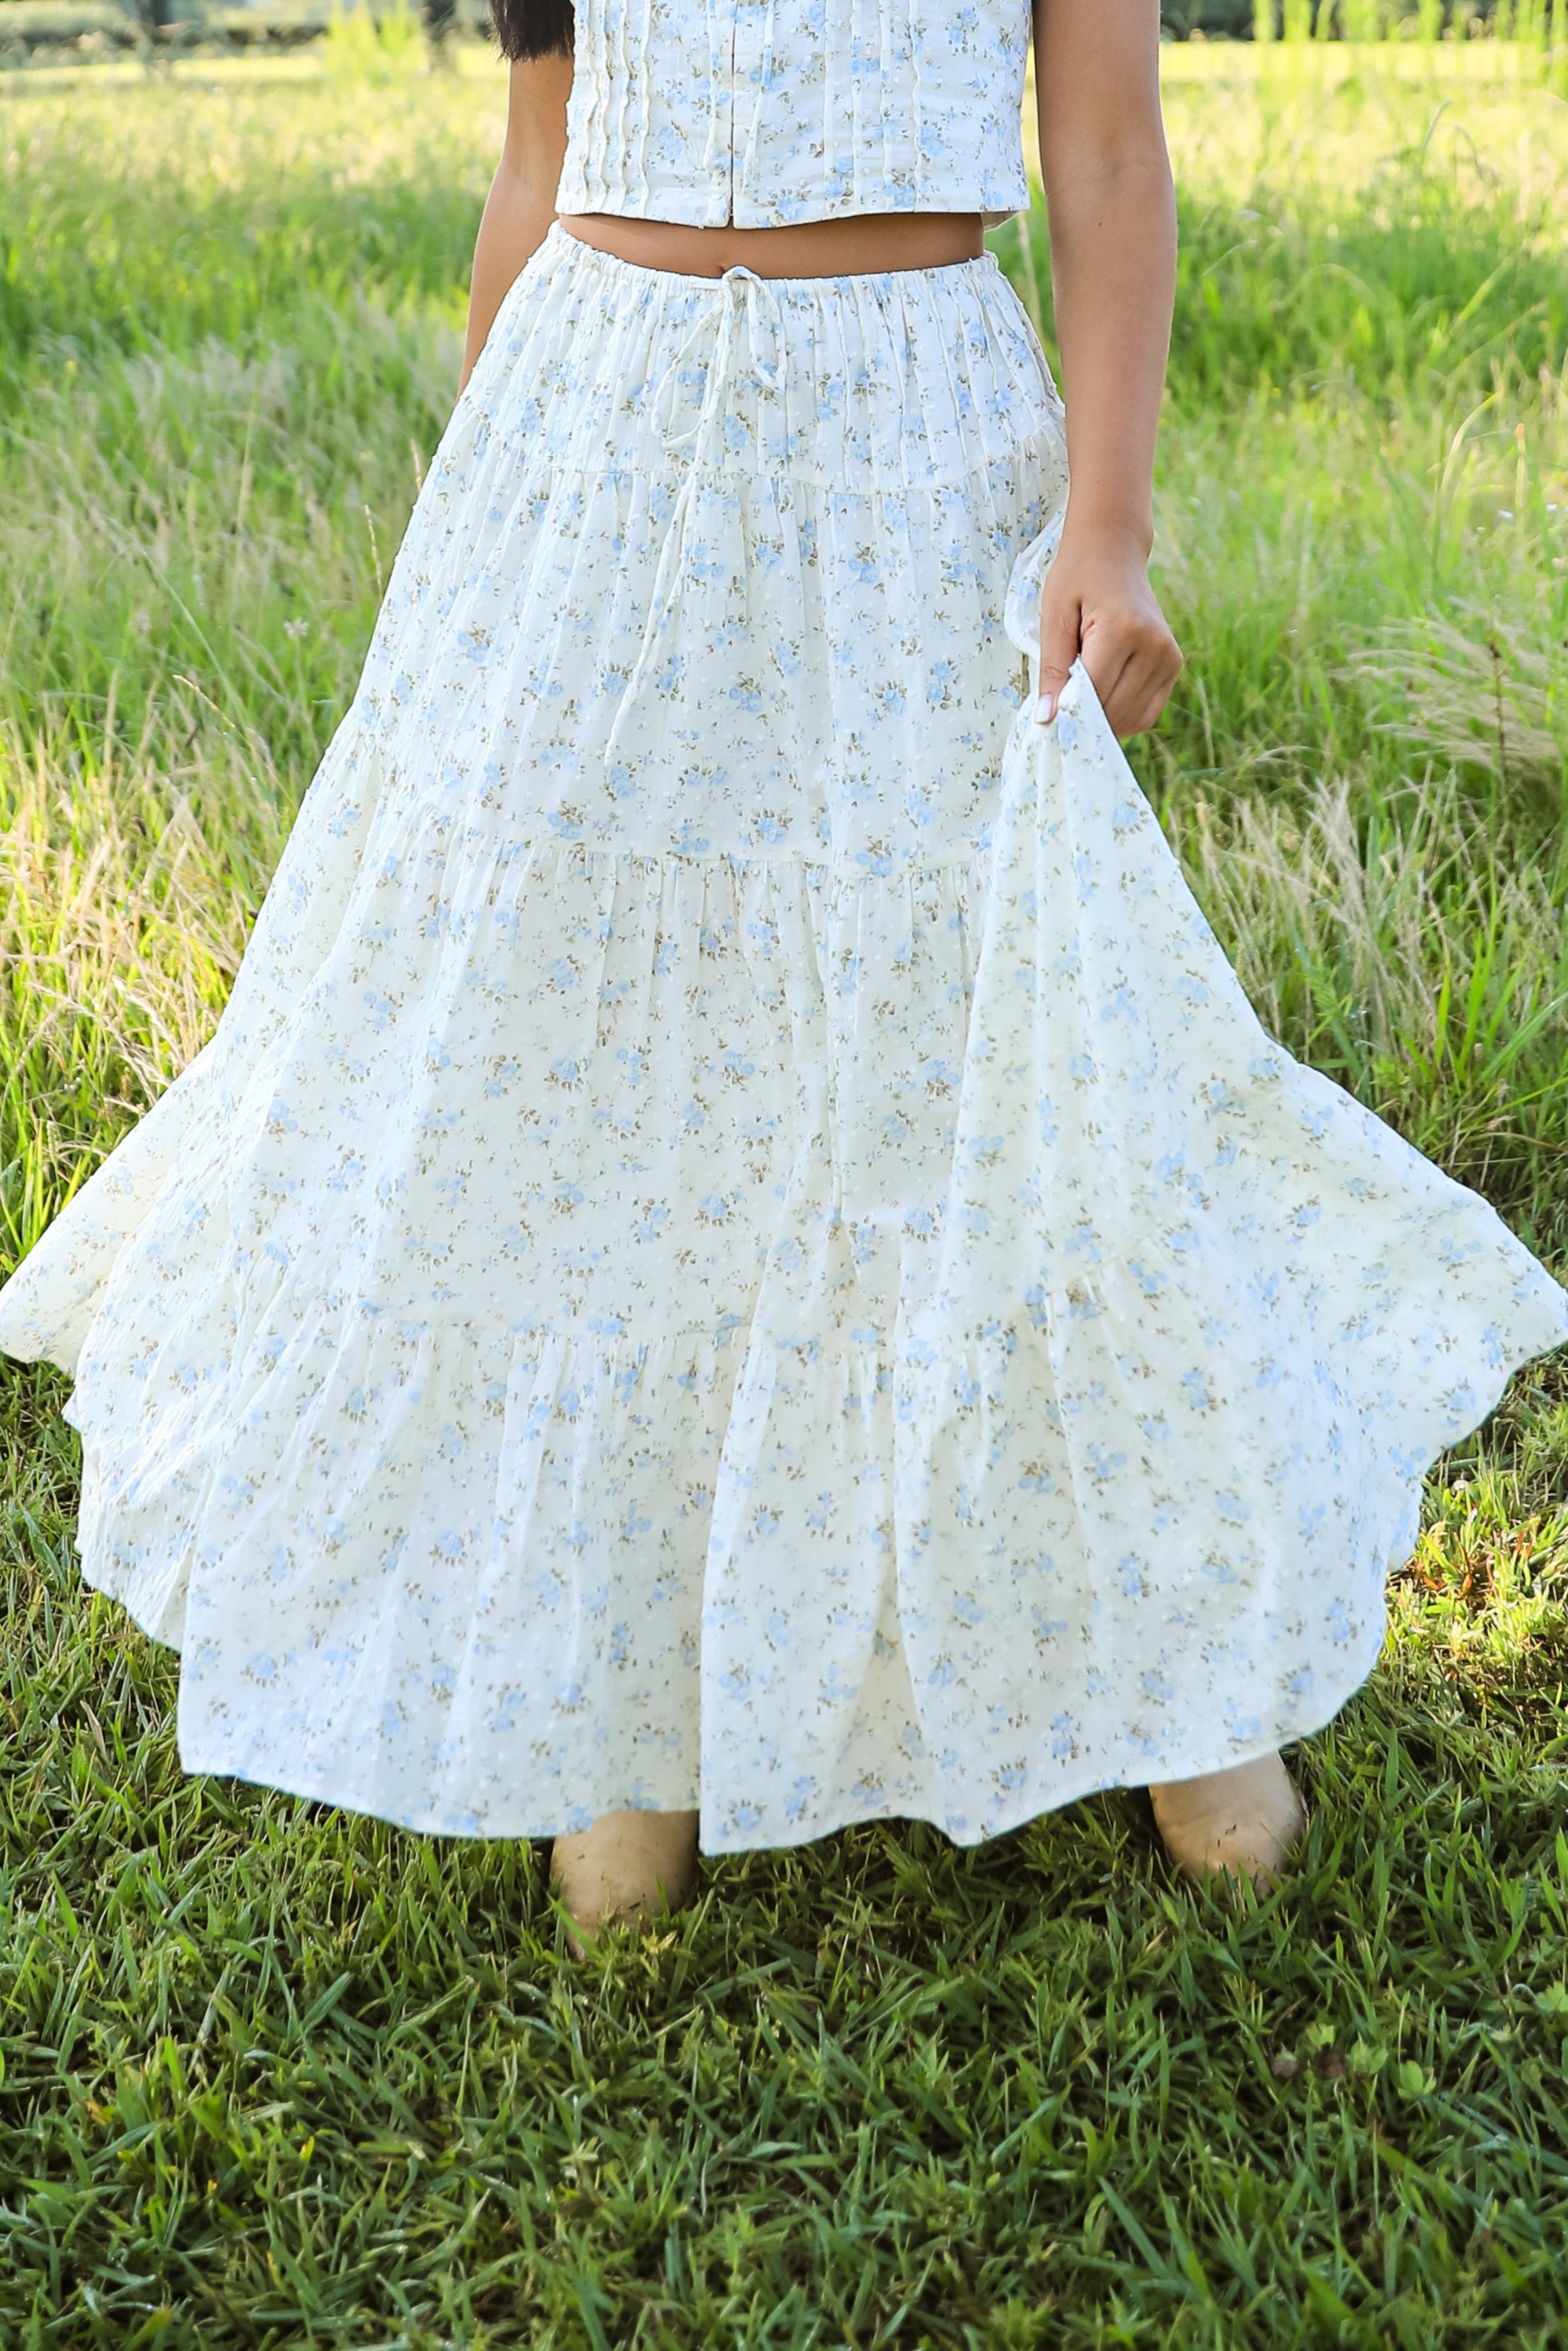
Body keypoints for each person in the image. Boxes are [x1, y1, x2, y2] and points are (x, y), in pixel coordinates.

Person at [3, 0, 1564, 1944]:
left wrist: (1106, 521)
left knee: (977, 1018)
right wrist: (484, 538)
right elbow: (536, 152)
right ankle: (624, 1707)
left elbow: (1103, 153)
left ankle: (1174, 1675)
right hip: (595, 429)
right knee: (587, 1068)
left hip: (910, 440)